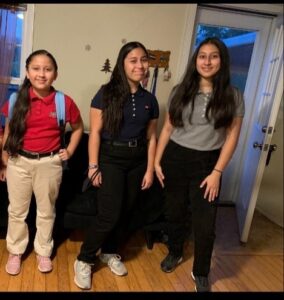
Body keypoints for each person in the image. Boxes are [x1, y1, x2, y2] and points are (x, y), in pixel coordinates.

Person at [154, 37, 245, 292]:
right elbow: (169, 128)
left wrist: (217, 172)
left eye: (213, 56)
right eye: (202, 56)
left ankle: (201, 272)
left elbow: (232, 138)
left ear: (222, 60)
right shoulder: (180, 90)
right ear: (196, 61)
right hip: (176, 157)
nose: (207, 61)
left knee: (205, 223)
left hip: (208, 163)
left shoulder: (233, 96)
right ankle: (175, 251)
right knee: (174, 213)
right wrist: (157, 161)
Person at [74, 41, 159, 290]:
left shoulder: (150, 100)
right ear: (123, 63)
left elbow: (151, 137)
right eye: (133, 60)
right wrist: (93, 167)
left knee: (126, 212)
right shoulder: (105, 93)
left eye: (143, 60)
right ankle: (85, 258)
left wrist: (150, 168)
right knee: (109, 213)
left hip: (138, 160)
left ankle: (109, 252)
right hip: (111, 158)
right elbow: (96, 133)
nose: (139, 65)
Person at [0, 49, 84, 275]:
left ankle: (43, 251)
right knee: (17, 211)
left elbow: (78, 129)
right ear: (27, 72)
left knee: (46, 211)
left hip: (49, 164)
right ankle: (16, 251)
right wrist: (5, 159)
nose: (41, 74)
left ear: (55, 74)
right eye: (36, 69)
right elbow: (8, 129)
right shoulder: (16, 99)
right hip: (19, 161)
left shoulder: (63, 102)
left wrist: (70, 150)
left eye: (47, 69)